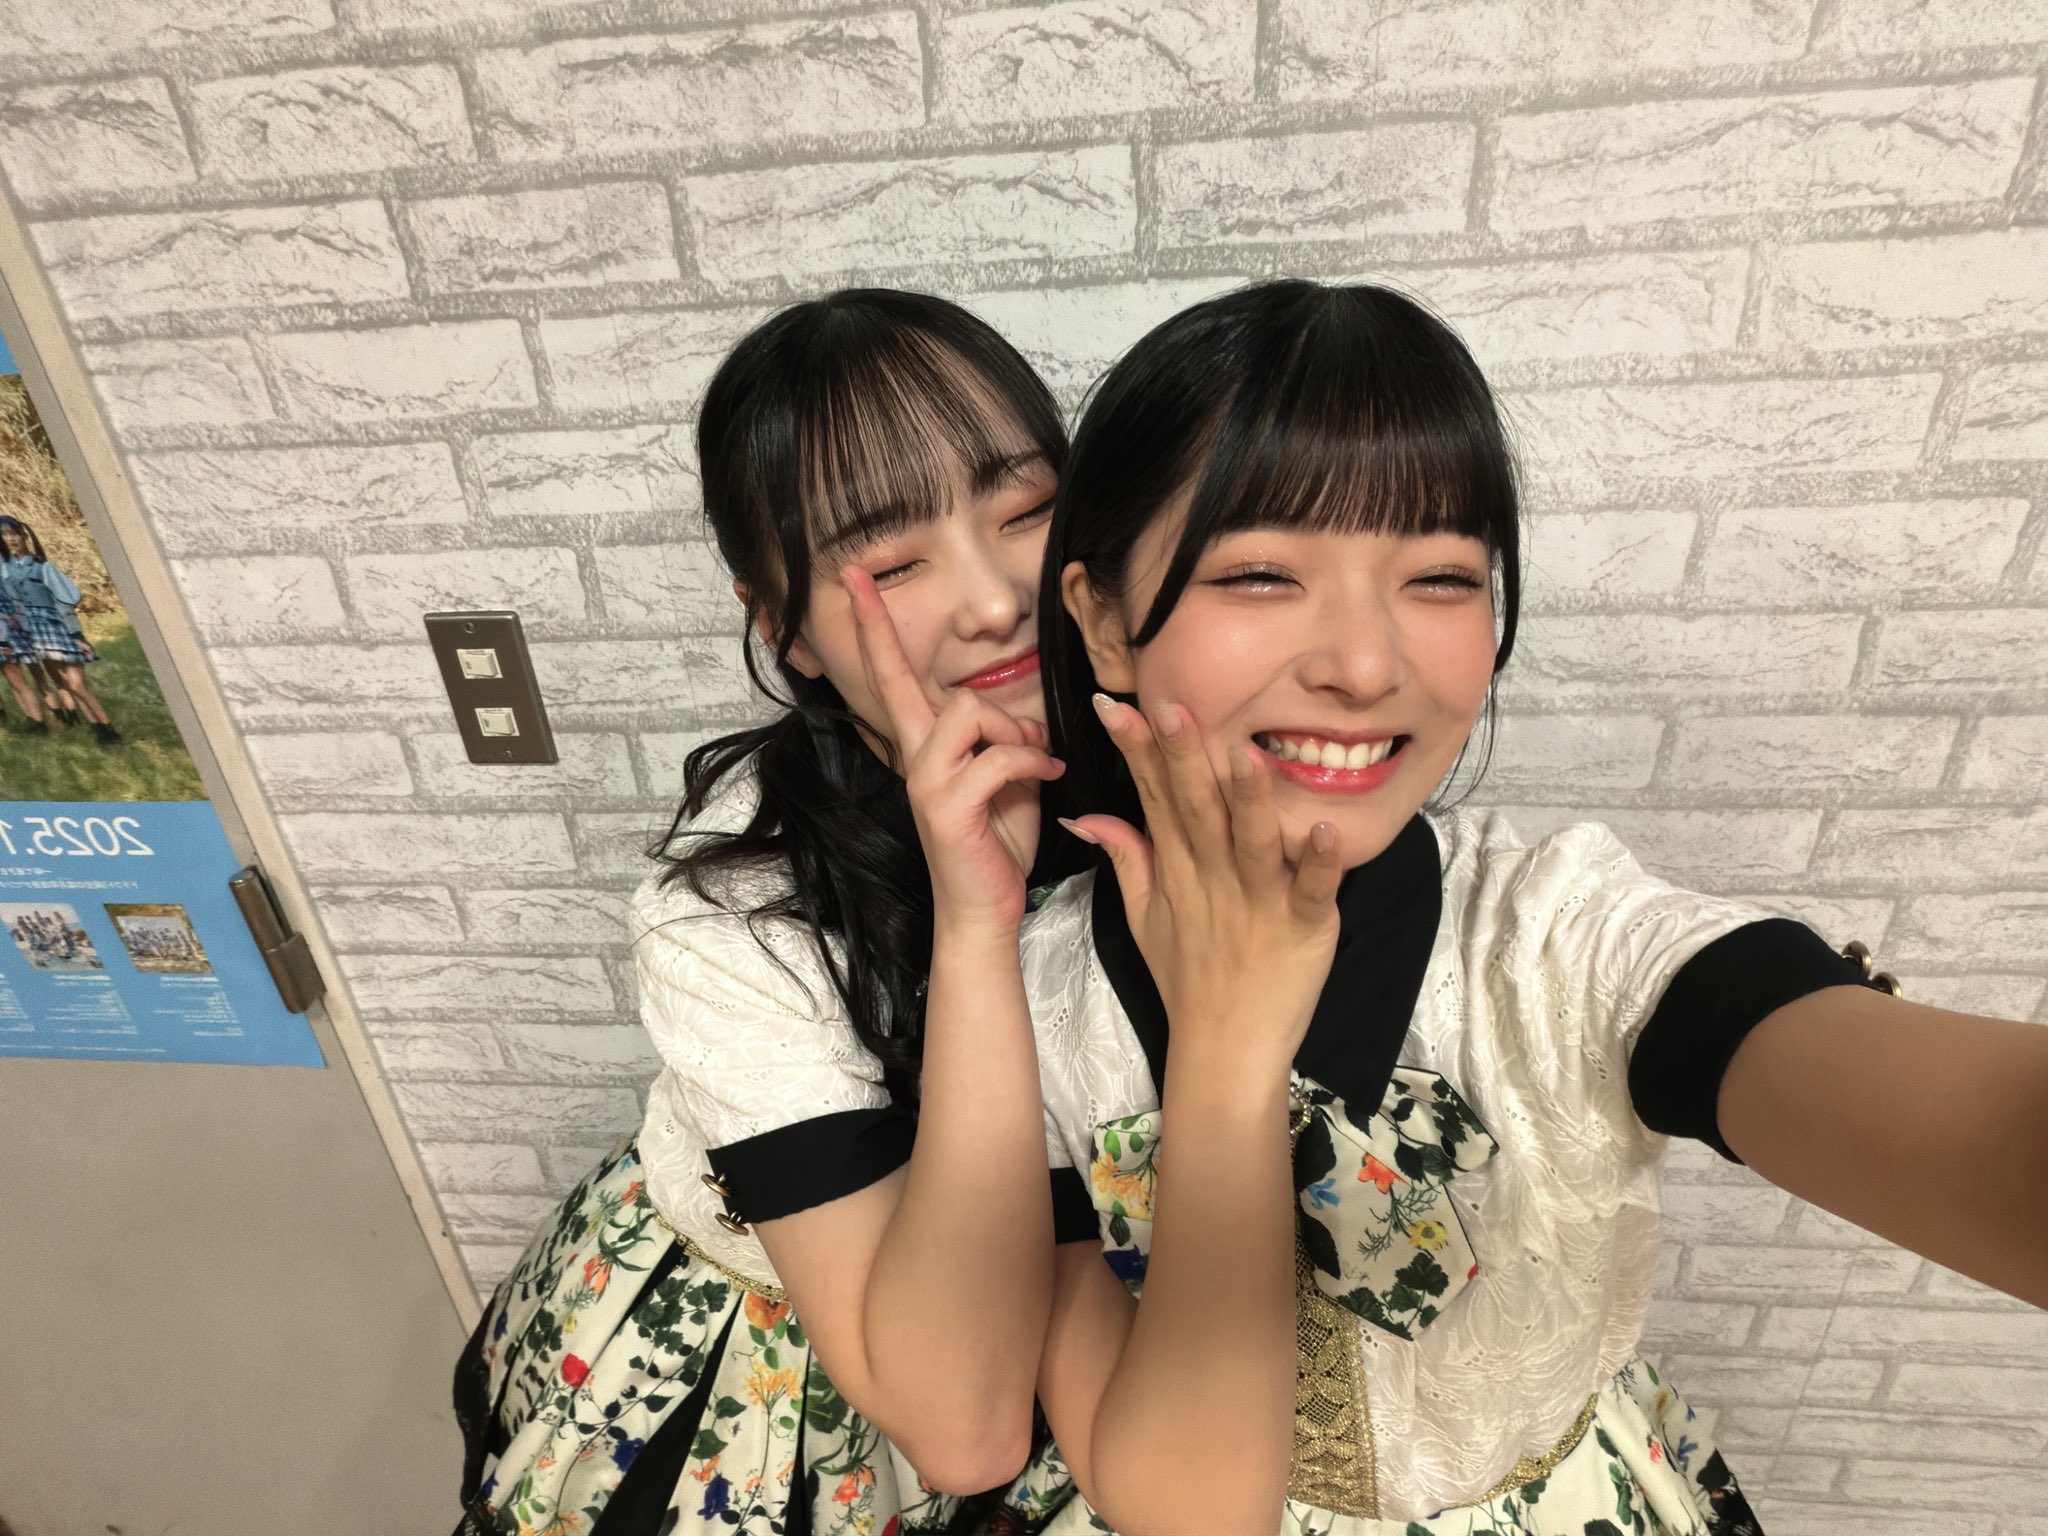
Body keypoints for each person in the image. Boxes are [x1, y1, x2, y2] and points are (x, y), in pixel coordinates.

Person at [1011, 279, 2048, 1536]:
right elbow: (1188, 1511)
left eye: (1440, 577)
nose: (1363, 664)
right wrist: (1226, 1057)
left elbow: (1860, 1071)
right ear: (1102, 622)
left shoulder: (1553, 934)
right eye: (1264, 573)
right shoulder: (1034, 991)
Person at [454, 290, 1089, 1536]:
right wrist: (979, 930)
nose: (992, 600)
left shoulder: (1160, 750)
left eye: (1025, 510)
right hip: (801, 1371)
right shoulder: (733, 909)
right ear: (783, 628)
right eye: (893, 564)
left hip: (1096, 1322)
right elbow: (961, 1428)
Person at [0, 514, 118, 744]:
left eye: (13, 533)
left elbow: (66, 601)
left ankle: (107, 728)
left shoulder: (43, 567)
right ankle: (97, 728)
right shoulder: (9, 572)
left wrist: (76, 635)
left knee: (76, 684)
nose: (10, 539)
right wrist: (10, 617)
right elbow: (16, 602)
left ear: (23, 536)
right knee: (65, 682)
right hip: (38, 634)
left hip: (59, 629)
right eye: (4, 535)